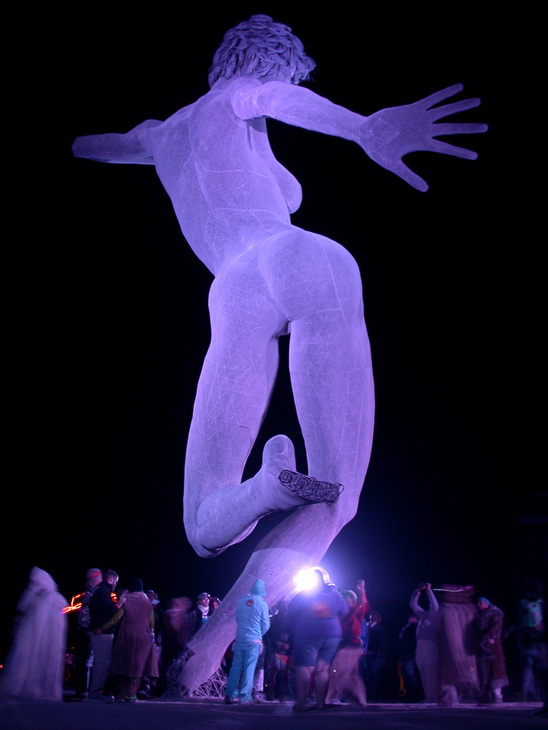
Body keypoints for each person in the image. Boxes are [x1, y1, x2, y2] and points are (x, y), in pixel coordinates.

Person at [73, 14, 486, 691]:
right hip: (301, 262)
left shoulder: (162, 134)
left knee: (202, 525)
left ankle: (202, 654)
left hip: (232, 290)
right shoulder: (245, 91)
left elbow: (97, 145)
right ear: (269, 64)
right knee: (335, 497)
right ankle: (269, 494)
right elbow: (270, 98)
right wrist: (363, 127)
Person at [0, 567, 68, 701]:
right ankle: (42, 688)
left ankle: (24, 686)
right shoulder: (56, 598)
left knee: (27, 659)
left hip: (31, 638)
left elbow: (22, 610)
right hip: (47, 642)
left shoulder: (35, 594)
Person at [287, 569, 348, 711]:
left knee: (303, 667)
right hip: (332, 634)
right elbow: (344, 611)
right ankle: (321, 704)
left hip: (307, 632)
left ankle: (301, 703)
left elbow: (290, 612)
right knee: (323, 669)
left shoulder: (304, 594)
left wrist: (295, 627)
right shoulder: (336, 595)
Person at [97, 578, 159, 702]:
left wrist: (101, 628)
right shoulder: (148, 603)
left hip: (127, 636)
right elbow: (152, 623)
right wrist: (152, 637)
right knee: (138, 667)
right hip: (143, 638)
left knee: (124, 666)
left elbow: (116, 618)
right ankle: (131, 696)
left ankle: (121, 695)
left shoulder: (126, 600)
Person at [224, 579, 270, 705]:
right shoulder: (262, 604)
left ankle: (229, 694)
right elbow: (266, 625)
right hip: (253, 640)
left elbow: (238, 619)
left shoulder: (241, 602)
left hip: (239, 639)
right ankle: (244, 696)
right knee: (249, 668)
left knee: (235, 667)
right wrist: (258, 633)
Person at [326, 578, 368, 706]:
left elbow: (363, 602)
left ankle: (335, 696)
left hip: (352, 646)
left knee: (338, 671)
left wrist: (361, 590)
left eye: (347, 598)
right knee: (348, 674)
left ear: (352, 601)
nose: (345, 600)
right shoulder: (339, 615)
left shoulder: (356, 612)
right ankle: (358, 698)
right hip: (343, 645)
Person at [88, 569, 119, 701]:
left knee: (100, 662)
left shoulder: (99, 591)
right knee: (102, 663)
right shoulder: (105, 592)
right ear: (111, 580)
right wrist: (118, 606)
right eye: (115, 582)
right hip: (103, 632)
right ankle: (95, 693)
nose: (116, 585)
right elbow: (106, 609)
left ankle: (95, 691)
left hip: (99, 631)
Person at [73, 567, 102, 699]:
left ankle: (82, 690)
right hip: (87, 630)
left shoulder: (88, 593)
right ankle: (84, 690)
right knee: (85, 662)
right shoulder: (94, 593)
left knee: (83, 662)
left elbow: (84, 614)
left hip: (83, 630)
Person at [473, 596, 509, 704]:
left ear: (486, 603)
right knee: (484, 673)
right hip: (482, 647)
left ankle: (497, 696)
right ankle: (485, 696)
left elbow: (495, 627)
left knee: (496, 672)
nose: (478, 605)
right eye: (478, 603)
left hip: (494, 647)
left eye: (481, 603)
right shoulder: (478, 616)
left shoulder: (494, 614)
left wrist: (491, 638)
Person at [410, 582, 440, 702]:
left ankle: (433, 695)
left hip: (430, 644)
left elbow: (434, 604)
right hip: (420, 644)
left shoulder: (436, 614)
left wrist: (428, 590)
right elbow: (413, 604)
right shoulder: (424, 615)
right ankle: (429, 695)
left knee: (430, 670)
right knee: (422, 669)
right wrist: (417, 591)